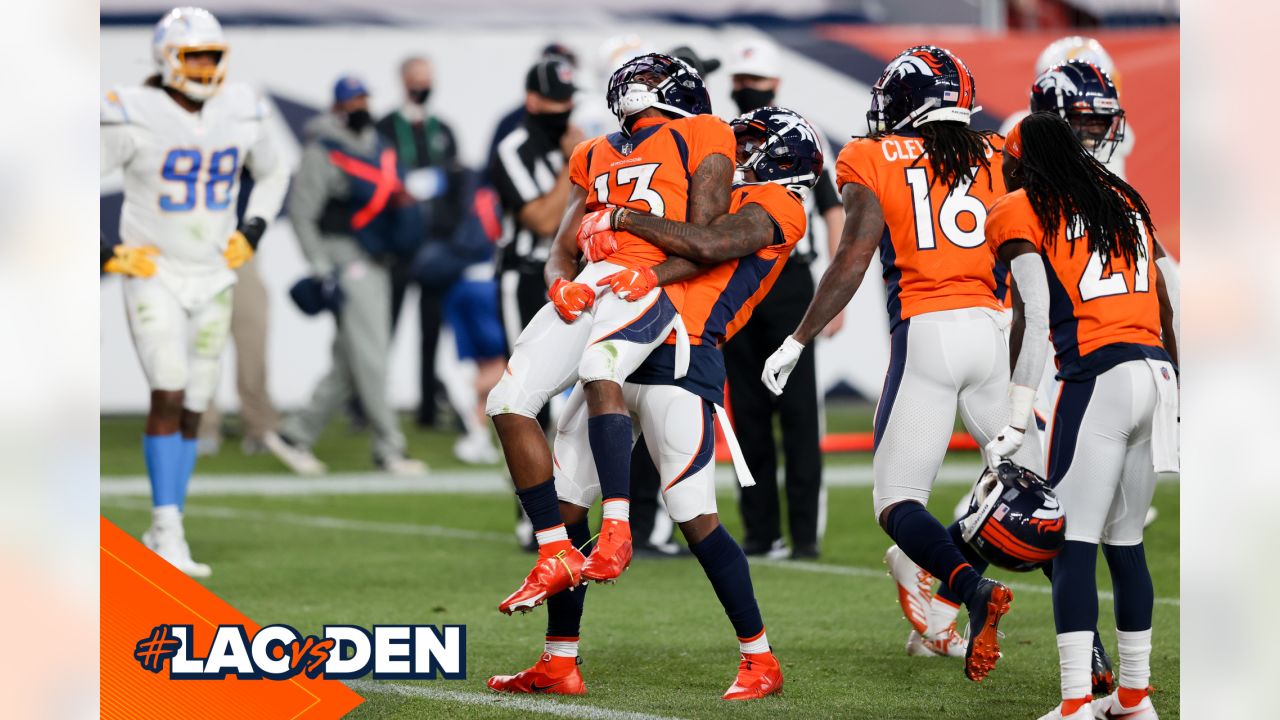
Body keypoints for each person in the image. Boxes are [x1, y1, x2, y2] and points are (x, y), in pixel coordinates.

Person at [488, 106, 820, 700]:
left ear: (778, 155)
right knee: (566, 507)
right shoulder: (714, 192)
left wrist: (620, 216)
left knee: (695, 517)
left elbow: (709, 242)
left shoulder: (779, 206)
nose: (734, 152)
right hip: (631, 333)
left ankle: (760, 658)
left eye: (747, 143)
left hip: (683, 357)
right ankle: (559, 660)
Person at [761, 45, 1042, 682]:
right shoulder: (1001, 154)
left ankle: (967, 589)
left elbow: (854, 253)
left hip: (930, 336)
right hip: (995, 333)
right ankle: (1099, 662)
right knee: (1026, 498)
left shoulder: (869, 155)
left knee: (897, 502)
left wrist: (798, 339)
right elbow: (1031, 268)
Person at [487, 53, 734, 607]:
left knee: (600, 367)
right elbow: (559, 248)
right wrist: (558, 283)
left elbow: (706, 243)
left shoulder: (702, 134)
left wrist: (645, 263)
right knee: (507, 401)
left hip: (644, 282)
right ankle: (555, 548)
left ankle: (618, 528)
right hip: (594, 281)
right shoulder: (591, 151)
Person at [987, 112, 1177, 720]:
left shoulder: (1019, 205)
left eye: (1009, 162)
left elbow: (1035, 315)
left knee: (1071, 546)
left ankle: (1075, 703)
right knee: (1126, 544)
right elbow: (1166, 298)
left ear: (1022, 159)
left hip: (1098, 378)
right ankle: (1134, 698)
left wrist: (1017, 414)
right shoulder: (1122, 195)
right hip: (1158, 373)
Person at [100, 7, 288, 576]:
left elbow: (274, 172)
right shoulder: (131, 111)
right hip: (153, 269)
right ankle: (169, 525)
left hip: (213, 271)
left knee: (197, 401)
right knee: (169, 388)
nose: (205, 67)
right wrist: (105, 251)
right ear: (167, 59)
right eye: (193, 56)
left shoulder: (241, 106)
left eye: (212, 55)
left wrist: (252, 229)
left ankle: (166, 524)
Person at [720, 37, 842, 559]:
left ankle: (806, 538)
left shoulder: (800, 136)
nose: (748, 89)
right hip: (739, 277)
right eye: (742, 82)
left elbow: (835, 211)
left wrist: (834, 298)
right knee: (746, 413)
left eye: (756, 82)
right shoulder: (722, 142)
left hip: (791, 280)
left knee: (798, 415)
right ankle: (760, 532)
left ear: (775, 84)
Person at [270, 76, 427, 475]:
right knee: (372, 354)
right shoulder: (322, 151)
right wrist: (321, 267)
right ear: (337, 106)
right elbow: (304, 214)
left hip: (376, 256)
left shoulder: (378, 148)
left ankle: (295, 434)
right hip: (346, 256)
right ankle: (390, 448)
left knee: (351, 358)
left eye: (363, 98)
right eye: (352, 100)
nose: (360, 106)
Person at [376, 56, 465, 430]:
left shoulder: (442, 128)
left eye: (427, 80)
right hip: (396, 245)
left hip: (434, 248)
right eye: (416, 80)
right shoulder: (385, 128)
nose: (422, 86)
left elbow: (456, 180)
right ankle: (369, 406)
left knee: (432, 333)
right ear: (402, 80)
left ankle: (428, 409)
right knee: (383, 329)